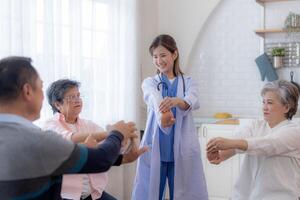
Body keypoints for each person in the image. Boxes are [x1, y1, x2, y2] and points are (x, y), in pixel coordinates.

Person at [0, 56, 147, 199]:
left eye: (78, 95)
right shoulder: (39, 138)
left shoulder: (26, 138)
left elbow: (101, 154)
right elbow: (99, 159)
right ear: (27, 91)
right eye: (40, 87)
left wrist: (124, 152)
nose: (43, 97)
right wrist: (115, 133)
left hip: (93, 193)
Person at [132, 34, 208, 200]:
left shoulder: (188, 82)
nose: (159, 60)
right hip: (156, 148)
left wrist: (178, 101)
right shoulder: (150, 82)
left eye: (163, 55)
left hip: (181, 151)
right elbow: (152, 97)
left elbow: (192, 100)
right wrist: (163, 114)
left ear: (174, 54)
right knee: (149, 193)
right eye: (155, 56)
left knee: (184, 194)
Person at [206, 80, 300, 200]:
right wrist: (220, 155)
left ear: (286, 107)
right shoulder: (256, 125)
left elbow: (268, 145)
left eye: (270, 103)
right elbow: (238, 142)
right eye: (263, 102)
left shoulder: (295, 132)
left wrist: (229, 143)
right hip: (246, 195)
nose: (264, 107)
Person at [43, 79, 115, 200]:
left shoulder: (88, 124)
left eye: (78, 95)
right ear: (57, 105)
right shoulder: (50, 125)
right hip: (65, 195)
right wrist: (111, 133)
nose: (78, 100)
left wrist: (118, 137)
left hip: (93, 193)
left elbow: (108, 144)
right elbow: (69, 139)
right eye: (71, 97)